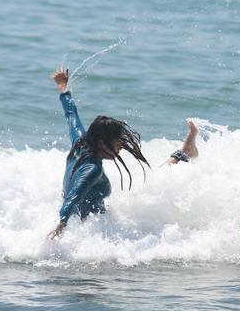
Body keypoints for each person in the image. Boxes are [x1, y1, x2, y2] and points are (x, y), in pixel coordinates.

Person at [47, 69, 199, 239]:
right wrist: (61, 224)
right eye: (117, 142)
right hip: (96, 234)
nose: (120, 146)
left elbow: (71, 114)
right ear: (102, 143)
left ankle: (183, 153)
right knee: (152, 196)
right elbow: (74, 196)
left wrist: (63, 88)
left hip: (93, 227)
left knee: (151, 191)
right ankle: (185, 152)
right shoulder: (92, 169)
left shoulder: (80, 142)